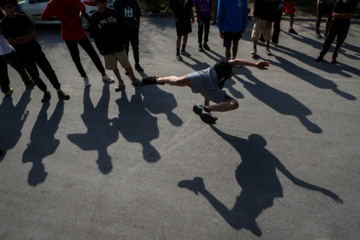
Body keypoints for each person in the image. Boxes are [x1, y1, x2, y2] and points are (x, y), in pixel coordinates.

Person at [141, 59, 270, 124]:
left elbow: (207, 93)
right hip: (205, 75)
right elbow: (236, 61)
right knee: (177, 82)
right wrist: (255, 64)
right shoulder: (225, 65)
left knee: (234, 104)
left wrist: (207, 108)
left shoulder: (222, 81)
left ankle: (206, 110)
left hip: (211, 87)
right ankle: (157, 79)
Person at [0, 0, 69, 103]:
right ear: (3, 9)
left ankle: (59, 90)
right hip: (22, 54)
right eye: (9, 7)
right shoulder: (4, 24)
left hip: (35, 49)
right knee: (34, 75)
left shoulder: (23, 18)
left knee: (48, 70)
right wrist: (28, 37)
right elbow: (11, 42)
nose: (12, 9)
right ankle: (45, 92)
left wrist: (19, 39)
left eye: (13, 6)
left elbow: (35, 33)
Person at [41, 0, 114, 88]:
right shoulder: (53, 3)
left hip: (80, 33)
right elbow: (43, 17)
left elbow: (82, 9)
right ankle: (84, 77)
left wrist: (80, 16)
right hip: (68, 35)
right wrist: (58, 18)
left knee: (93, 54)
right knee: (76, 58)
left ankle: (103, 74)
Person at [90, 0, 142, 91]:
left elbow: (121, 27)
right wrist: (100, 48)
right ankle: (120, 82)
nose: (104, 4)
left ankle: (134, 80)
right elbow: (95, 35)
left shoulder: (112, 12)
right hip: (106, 47)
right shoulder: (94, 17)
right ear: (97, 3)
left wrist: (123, 41)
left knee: (126, 64)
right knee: (114, 66)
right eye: (102, 2)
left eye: (105, 2)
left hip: (117, 43)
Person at [0, 10, 35, 97]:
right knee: (19, 66)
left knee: (1, 72)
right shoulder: (1, 23)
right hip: (6, 50)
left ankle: (6, 90)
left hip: (2, 51)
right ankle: (28, 82)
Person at [315, 0, 356, 64]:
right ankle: (321, 55)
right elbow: (334, 15)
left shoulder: (352, 3)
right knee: (328, 40)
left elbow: (349, 16)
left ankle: (334, 57)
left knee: (339, 42)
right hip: (335, 24)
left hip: (345, 25)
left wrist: (339, 15)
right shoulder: (339, 2)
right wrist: (344, 14)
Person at [113, 0, 144, 72]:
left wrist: (138, 27)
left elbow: (138, 15)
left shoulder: (133, 2)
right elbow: (116, 17)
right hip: (123, 30)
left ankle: (137, 64)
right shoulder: (117, 2)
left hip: (133, 29)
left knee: (135, 47)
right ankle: (127, 66)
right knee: (125, 49)